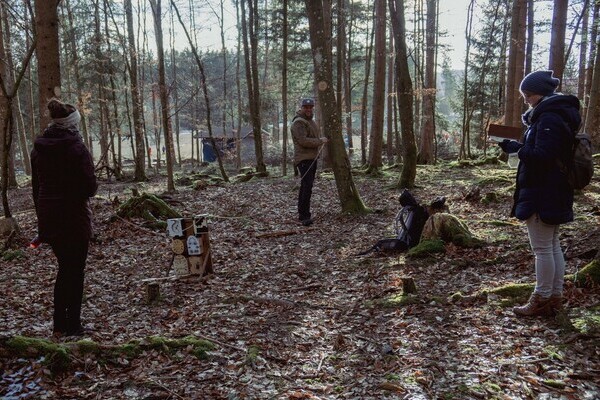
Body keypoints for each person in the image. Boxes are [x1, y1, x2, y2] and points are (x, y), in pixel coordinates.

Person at [498, 70, 581, 317]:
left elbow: (542, 157)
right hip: (551, 189)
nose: (525, 99)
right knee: (551, 245)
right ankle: (554, 296)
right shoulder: (554, 116)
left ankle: (542, 297)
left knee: (543, 249)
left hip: (543, 191)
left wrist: (517, 149)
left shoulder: (549, 119)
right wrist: (517, 146)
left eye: (528, 94)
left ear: (539, 94)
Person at [31, 99, 98, 336]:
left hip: (50, 219)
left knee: (64, 268)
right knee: (75, 271)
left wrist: (43, 221)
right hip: (74, 218)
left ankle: (60, 325)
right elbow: (90, 188)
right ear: (72, 124)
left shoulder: (38, 149)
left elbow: (36, 189)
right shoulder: (77, 148)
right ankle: (73, 326)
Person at [291, 98, 328, 226]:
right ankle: (304, 216)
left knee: (308, 187)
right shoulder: (298, 122)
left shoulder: (310, 121)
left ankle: (304, 213)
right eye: (306, 107)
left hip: (311, 158)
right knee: (306, 187)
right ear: (301, 108)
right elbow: (303, 141)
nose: (308, 109)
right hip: (303, 159)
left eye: (310, 107)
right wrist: (320, 141)